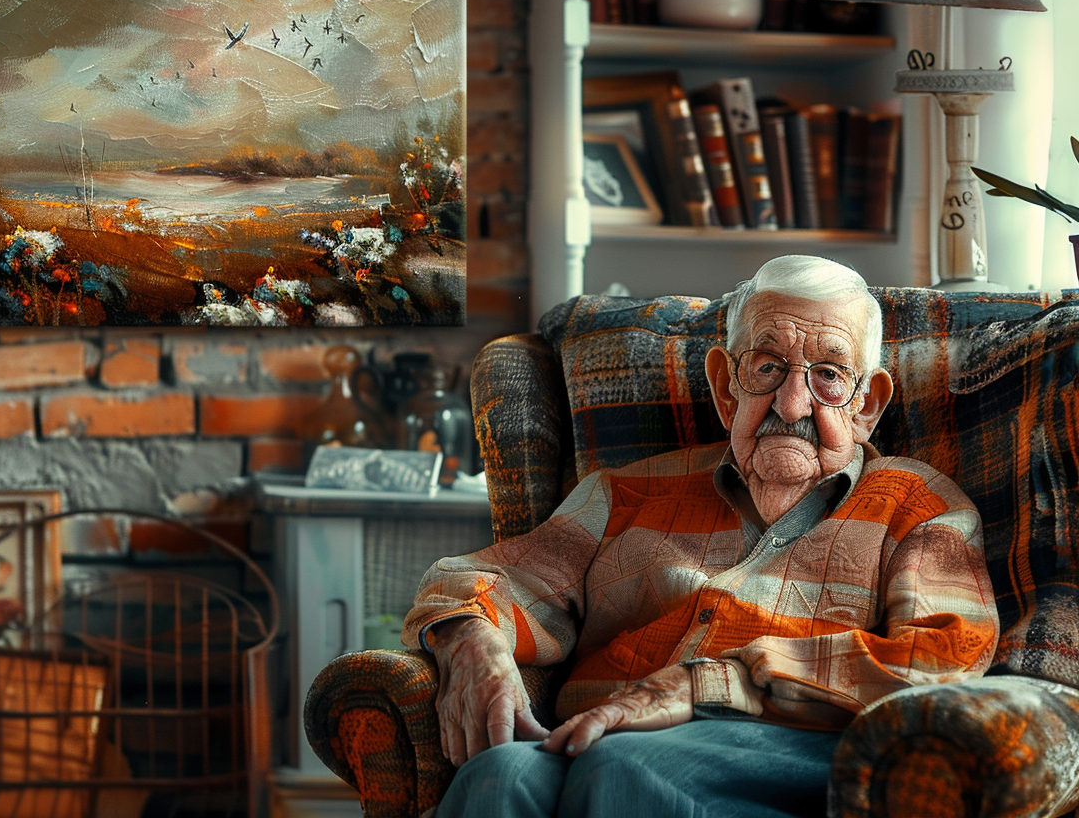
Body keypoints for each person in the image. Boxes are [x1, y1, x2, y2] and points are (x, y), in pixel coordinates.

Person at [402, 255, 999, 818]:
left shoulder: (915, 505)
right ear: (725, 384)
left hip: (791, 750)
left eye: (828, 376)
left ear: (866, 404)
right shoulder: (625, 493)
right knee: (497, 775)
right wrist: (469, 637)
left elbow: (944, 656)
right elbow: (493, 578)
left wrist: (710, 682)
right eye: (766, 368)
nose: (791, 403)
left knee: (622, 768)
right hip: (597, 734)